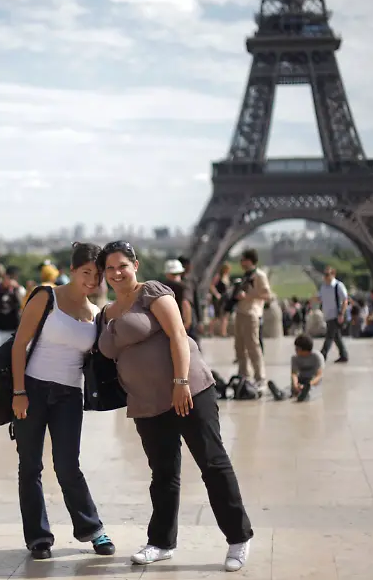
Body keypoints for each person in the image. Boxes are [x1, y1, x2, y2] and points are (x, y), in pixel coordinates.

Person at [97, 241, 253, 572]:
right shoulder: (107, 312)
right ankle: (161, 542)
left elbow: (179, 335)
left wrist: (181, 383)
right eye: (109, 268)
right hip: (146, 403)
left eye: (122, 265)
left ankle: (238, 538)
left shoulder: (152, 292)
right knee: (163, 474)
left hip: (187, 391)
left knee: (211, 463)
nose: (116, 273)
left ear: (135, 265)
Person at [11, 242, 115, 560]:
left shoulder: (96, 314)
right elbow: (19, 346)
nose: (92, 281)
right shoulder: (46, 296)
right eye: (86, 273)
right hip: (33, 389)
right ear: (71, 270)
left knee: (69, 466)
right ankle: (39, 538)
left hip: (70, 395)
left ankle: (92, 529)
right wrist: (18, 392)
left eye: (97, 275)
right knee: (30, 467)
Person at [232, 249, 271, 387]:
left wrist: (248, 296)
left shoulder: (259, 275)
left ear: (249, 260)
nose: (241, 262)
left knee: (253, 346)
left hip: (251, 313)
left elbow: (267, 295)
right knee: (239, 346)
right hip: (241, 312)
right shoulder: (245, 275)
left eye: (243, 259)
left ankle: (260, 377)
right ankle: (244, 375)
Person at [267, 334, 324, 402]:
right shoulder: (295, 358)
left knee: (311, 390)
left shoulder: (317, 356)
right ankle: (280, 394)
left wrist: (309, 384)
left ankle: (304, 395)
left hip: (313, 381)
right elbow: (294, 374)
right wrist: (295, 385)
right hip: (301, 379)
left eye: (297, 348)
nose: (295, 350)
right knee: (290, 389)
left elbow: (319, 375)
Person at [316, 267, 349, 363]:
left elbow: (345, 300)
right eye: (325, 274)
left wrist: (342, 314)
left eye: (328, 274)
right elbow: (321, 298)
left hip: (336, 315)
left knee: (329, 336)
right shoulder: (323, 287)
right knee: (336, 336)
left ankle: (323, 355)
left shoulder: (338, 285)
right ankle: (344, 355)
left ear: (333, 275)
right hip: (328, 314)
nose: (326, 277)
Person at [162, 259, 193, 330]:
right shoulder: (183, 287)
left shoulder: (162, 286)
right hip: (180, 323)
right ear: (181, 272)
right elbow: (186, 304)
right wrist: (187, 323)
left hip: (165, 323)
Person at [209, 263, 231, 337]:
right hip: (218, 299)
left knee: (225, 316)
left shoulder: (226, 276)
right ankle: (210, 331)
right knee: (217, 316)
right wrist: (217, 294)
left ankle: (223, 332)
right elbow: (212, 286)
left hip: (225, 298)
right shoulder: (218, 276)